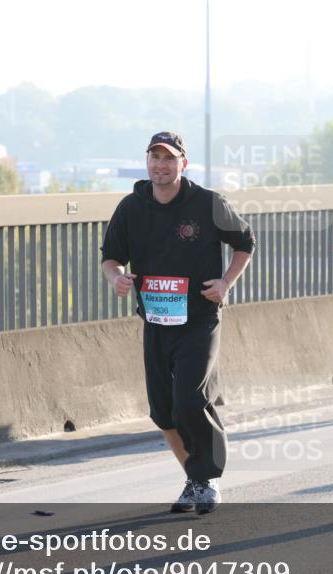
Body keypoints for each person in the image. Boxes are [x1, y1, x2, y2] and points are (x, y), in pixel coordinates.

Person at [101, 131, 255, 514]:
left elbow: (245, 242)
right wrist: (116, 278)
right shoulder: (131, 208)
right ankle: (196, 480)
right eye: (154, 157)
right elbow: (110, 259)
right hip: (155, 320)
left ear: (183, 163)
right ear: (147, 162)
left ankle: (209, 477)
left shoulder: (207, 203)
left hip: (199, 318)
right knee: (164, 411)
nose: (160, 165)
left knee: (190, 398)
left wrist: (225, 283)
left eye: (168, 158)